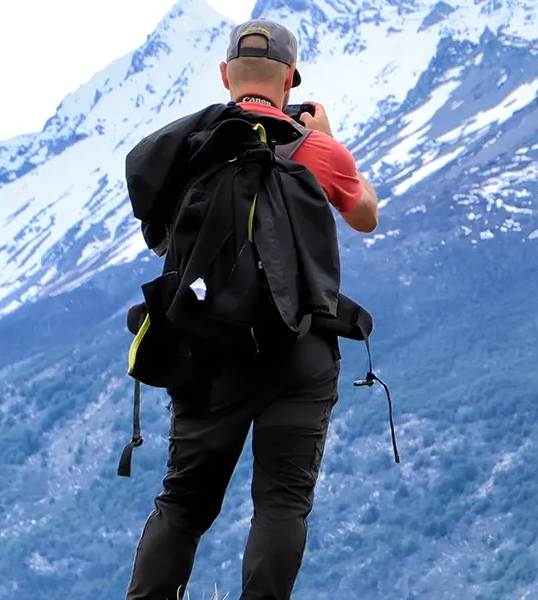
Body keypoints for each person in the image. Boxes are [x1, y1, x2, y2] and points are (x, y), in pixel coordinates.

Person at [123, 17, 380, 600]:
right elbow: (366, 213)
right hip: (300, 354)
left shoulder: (189, 148)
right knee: (282, 503)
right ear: (291, 79)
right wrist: (330, 140)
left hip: (208, 352)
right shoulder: (316, 148)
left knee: (184, 504)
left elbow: (160, 234)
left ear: (225, 77)